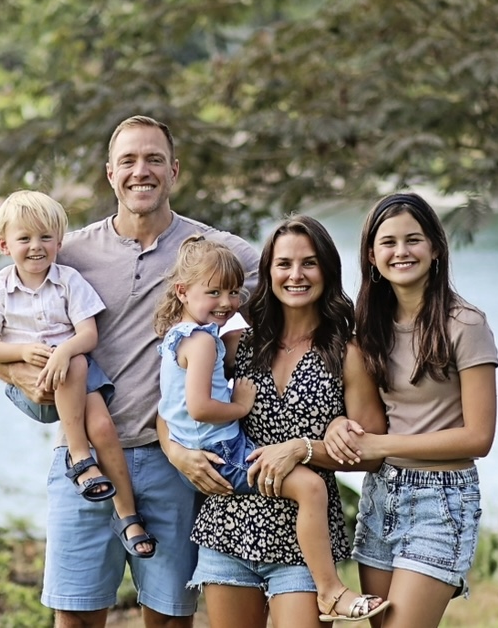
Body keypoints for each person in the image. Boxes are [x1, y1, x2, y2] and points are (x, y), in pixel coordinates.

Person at [0, 115, 260, 628]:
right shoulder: (72, 253)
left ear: (173, 171)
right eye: (128, 161)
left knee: (171, 618)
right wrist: (22, 377)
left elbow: (297, 284)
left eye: (154, 159)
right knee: (77, 618)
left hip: (171, 462)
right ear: (110, 174)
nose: (141, 171)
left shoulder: (214, 253)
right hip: (82, 459)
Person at [154, 234, 390, 625]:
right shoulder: (236, 343)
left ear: (328, 271)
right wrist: (176, 453)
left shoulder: (347, 353)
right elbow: (173, 408)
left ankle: (333, 591)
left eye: (309, 263)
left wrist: (304, 448)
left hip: (303, 548)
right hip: (228, 527)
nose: (295, 275)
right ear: (267, 273)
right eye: (284, 264)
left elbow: (374, 452)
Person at [328, 192, 498, 628]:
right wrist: (337, 427)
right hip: (381, 494)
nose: (401, 252)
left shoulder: (465, 324)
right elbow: (362, 415)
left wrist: (382, 443)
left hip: (441, 498)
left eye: (413, 240)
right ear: (371, 255)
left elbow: (479, 437)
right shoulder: (367, 328)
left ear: (436, 247)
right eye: (388, 243)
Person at [0, 190, 154, 559]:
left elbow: (88, 335)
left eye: (45, 237)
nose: (36, 247)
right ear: (5, 245)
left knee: (102, 426)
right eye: (25, 239)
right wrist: (20, 352)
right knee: (77, 370)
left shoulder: (68, 281)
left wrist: (65, 351)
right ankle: (80, 457)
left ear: (59, 241)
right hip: (36, 379)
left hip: (77, 371)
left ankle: (127, 515)